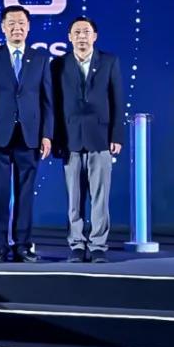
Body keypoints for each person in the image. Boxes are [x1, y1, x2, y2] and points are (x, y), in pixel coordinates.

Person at [0, 5, 53, 263]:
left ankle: (22, 245)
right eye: (11, 23)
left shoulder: (40, 58)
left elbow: (47, 100)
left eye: (21, 23)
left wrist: (46, 134)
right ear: (3, 27)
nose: (16, 27)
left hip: (30, 135)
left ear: (29, 27)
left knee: (25, 194)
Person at [51, 16, 124, 264]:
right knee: (74, 197)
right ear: (69, 37)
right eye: (77, 32)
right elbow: (54, 104)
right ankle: (77, 244)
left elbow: (117, 100)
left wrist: (116, 135)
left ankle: (98, 246)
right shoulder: (58, 64)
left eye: (86, 32)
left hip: (100, 136)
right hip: (70, 137)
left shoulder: (109, 61)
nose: (82, 36)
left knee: (100, 196)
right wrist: (56, 137)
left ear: (95, 36)